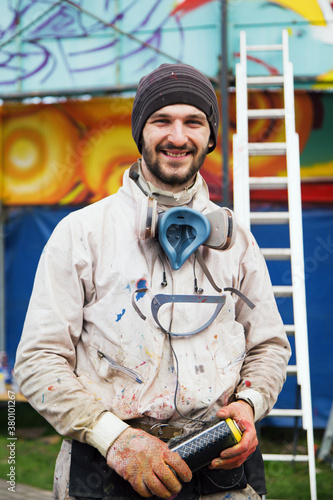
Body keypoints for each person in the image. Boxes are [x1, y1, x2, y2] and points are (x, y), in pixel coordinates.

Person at [15, 63, 291, 500]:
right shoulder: (82, 232)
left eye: (194, 122)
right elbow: (37, 360)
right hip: (108, 467)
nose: (178, 137)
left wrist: (248, 405)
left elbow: (269, 346)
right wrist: (115, 439)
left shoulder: (236, 240)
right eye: (162, 120)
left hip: (222, 469)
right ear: (140, 132)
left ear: (210, 136)